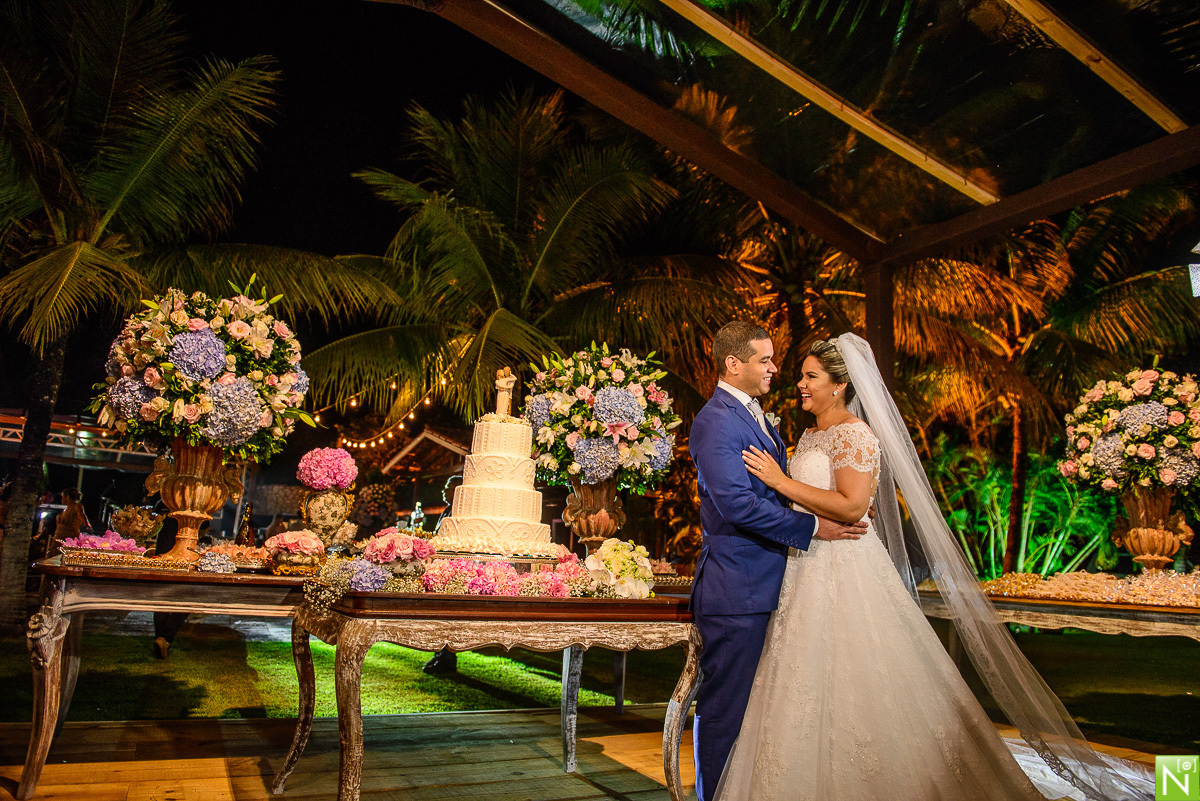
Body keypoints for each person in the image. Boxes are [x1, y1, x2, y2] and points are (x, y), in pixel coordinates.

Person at [718, 335, 1151, 801]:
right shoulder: (810, 435)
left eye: (810, 377)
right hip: (806, 569)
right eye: (802, 376)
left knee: (860, 674)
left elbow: (853, 505)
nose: (799, 384)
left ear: (840, 386)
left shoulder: (854, 433)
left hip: (844, 567)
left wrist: (782, 481)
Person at [687, 321, 866, 801]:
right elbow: (737, 505)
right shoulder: (716, 420)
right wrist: (812, 527)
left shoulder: (755, 415)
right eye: (764, 360)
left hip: (774, 583)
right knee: (726, 710)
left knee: (763, 709)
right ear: (733, 364)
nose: (774, 369)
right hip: (737, 588)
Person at [48, 487, 91, 557]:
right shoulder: (66, 508)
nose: (61, 499)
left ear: (67, 497)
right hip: (58, 538)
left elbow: (83, 517)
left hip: (69, 537)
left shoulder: (77, 506)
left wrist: (87, 525)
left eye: (63, 497)